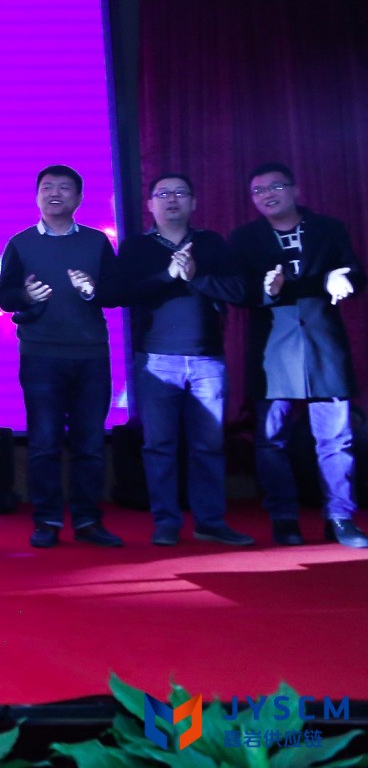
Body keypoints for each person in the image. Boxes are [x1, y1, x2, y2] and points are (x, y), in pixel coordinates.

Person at [230, 162, 367, 548]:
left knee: (336, 440)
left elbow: (357, 275)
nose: (267, 195)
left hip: (325, 346)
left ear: (295, 190)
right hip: (273, 351)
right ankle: (284, 517)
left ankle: (340, 518)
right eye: (258, 191)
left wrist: (342, 277)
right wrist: (273, 290)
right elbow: (240, 292)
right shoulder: (244, 238)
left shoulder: (328, 228)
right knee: (271, 440)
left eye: (275, 187)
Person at [116, 174, 253, 547]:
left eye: (180, 193)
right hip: (156, 361)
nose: (171, 199)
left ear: (193, 202)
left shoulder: (211, 243)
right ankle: (166, 522)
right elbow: (120, 293)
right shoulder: (136, 247)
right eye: (163, 194)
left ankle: (210, 521)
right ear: (150, 205)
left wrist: (195, 276)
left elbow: (239, 291)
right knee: (158, 446)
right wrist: (167, 275)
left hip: (207, 361)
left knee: (208, 447)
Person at [0, 164, 123, 548]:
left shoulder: (97, 242)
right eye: (47, 187)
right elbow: (5, 296)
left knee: (90, 443)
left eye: (64, 188)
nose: (55, 193)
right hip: (41, 355)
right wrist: (25, 296)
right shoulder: (20, 243)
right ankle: (47, 520)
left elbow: (116, 293)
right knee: (44, 442)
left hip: (91, 355)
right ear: (37, 197)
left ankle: (87, 520)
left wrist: (92, 291)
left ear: (79, 198)